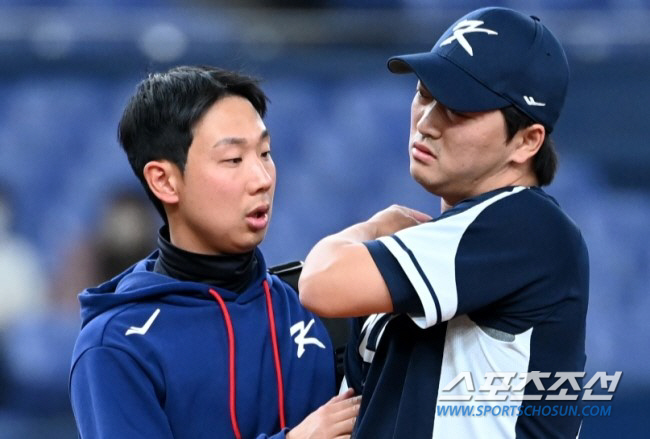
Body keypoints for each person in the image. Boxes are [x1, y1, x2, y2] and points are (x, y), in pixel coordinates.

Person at [299, 7, 588, 439]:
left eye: (460, 109)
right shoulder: (436, 251)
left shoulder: (528, 226)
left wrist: (370, 229)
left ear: (527, 141)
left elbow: (320, 282)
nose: (427, 122)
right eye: (425, 93)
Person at [69, 65, 359, 439]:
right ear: (165, 181)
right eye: (234, 160)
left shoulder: (317, 303)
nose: (262, 178)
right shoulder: (116, 344)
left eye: (266, 153)